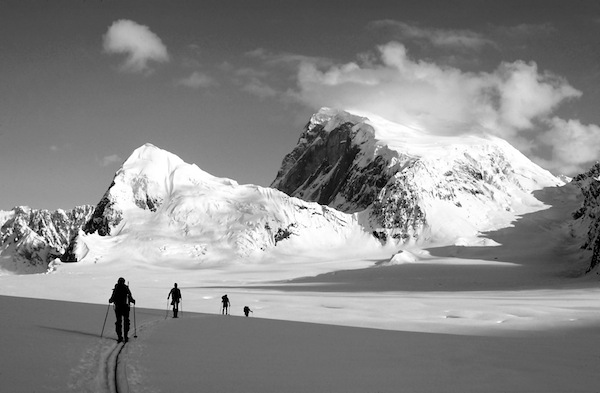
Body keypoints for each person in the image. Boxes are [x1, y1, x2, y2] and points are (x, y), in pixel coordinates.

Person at [108, 277, 135, 343]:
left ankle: (120, 337)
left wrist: (110, 300)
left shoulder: (116, 288)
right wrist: (133, 301)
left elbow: (112, 298)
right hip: (125, 307)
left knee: (118, 321)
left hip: (118, 308)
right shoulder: (126, 288)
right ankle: (125, 336)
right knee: (126, 321)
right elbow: (130, 297)